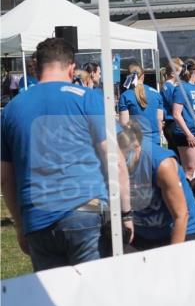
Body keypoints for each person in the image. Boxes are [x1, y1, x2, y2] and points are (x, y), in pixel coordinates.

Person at [0, 37, 133, 271]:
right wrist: (126, 213)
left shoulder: (11, 109)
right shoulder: (88, 98)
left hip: (37, 218)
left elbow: (5, 178)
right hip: (85, 211)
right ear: (71, 68)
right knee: (93, 294)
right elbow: (116, 160)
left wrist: (20, 226)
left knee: (54, 300)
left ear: (36, 66)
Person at [118, 121, 195, 250]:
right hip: (142, 231)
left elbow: (181, 215)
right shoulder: (112, 162)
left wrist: (173, 256)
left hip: (181, 229)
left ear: (136, 146)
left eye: (123, 157)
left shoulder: (162, 165)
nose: (120, 163)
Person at [169, 58, 195, 179]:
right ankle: (187, 196)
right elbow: (176, 114)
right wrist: (188, 134)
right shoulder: (181, 88)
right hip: (188, 134)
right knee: (189, 169)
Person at [117, 64, 164, 146]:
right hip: (154, 140)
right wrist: (158, 136)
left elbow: (124, 123)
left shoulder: (125, 96)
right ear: (143, 76)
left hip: (135, 142)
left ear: (128, 77)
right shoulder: (156, 93)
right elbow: (159, 119)